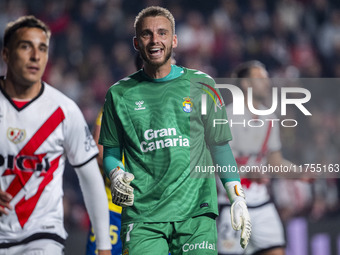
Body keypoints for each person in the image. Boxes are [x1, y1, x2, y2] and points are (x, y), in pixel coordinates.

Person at [99, 6, 251, 255]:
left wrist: (237, 196)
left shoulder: (203, 85)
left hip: (196, 213)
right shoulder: (119, 94)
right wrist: (116, 174)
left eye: (162, 33)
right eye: (147, 34)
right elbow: (111, 153)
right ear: (137, 43)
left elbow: (220, 147)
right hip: (143, 216)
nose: (155, 40)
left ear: (174, 40)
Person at [0, 15, 111, 255]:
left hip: (42, 236)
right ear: (6, 54)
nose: (35, 56)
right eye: (25, 46)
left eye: (42, 48)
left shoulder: (64, 110)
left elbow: (91, 180)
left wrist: (104, 247)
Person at [217, 60, 287, 255]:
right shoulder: (226, 117)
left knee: (276, 251)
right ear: (246, 84)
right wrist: (249, 171)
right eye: (260, 77)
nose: (267, 82)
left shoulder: (270, 118)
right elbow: (218, 163)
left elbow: (275, 161)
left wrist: (299, 172)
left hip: (262, 201)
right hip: (231, 203)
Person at [86, 53, 144, 255]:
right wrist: (126, 176)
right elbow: (99, 150)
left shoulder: (175, 106)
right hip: (114, 208)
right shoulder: (119, 100)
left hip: (156, 211)